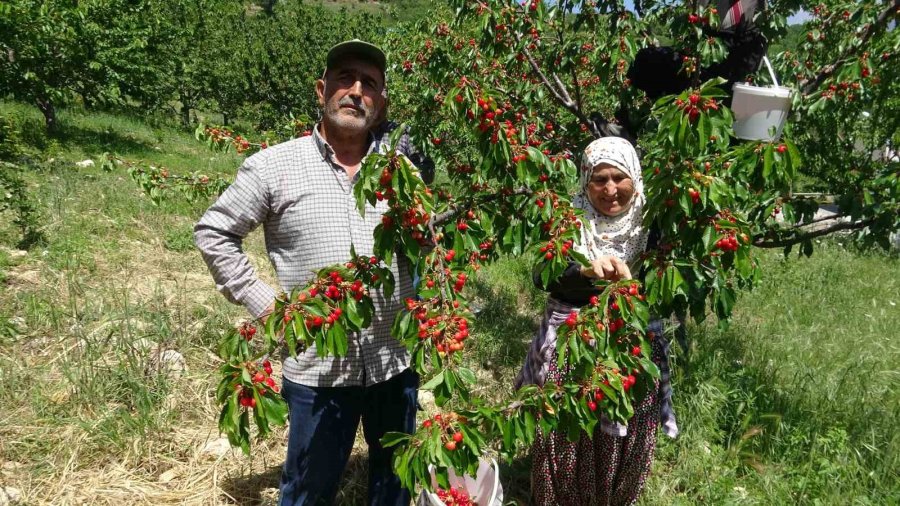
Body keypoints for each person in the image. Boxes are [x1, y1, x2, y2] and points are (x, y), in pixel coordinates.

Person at [194, 39, 418, 506]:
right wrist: (269, 308)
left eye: (370, 84)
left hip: (392, 361)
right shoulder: (274, 165)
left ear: (382, 103)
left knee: (394, 487)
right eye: (344, 79)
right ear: (322, 90)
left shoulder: (402, 171)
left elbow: (424, 242)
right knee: (308, 492)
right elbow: (215, 232)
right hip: (317, 367)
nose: (356, 91)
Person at [516, 137, 677, 506]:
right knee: (564, 430)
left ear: (634, 177)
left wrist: (635, 285)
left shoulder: (654, 222)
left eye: (619, 177)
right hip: (571, 343)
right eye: (598, 179)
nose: (609, 189)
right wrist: (588, 271)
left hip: (630, 346)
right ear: (585, 181)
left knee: (626, 431)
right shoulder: (568, 220)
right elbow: (543, 275)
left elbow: (671, 287)